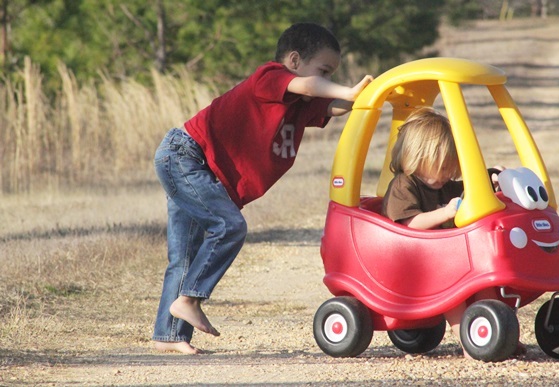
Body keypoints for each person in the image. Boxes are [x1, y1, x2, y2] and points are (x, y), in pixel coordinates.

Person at [152, 22, 373, 355]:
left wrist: (371, 95)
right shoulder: (268, 78)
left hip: (200, 168)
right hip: (186, 157)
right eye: (325, 71)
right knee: (229, 227)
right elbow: (316, 88)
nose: (327, 80)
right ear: (294, 60)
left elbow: (331, 107)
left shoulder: (299, 104)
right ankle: (188, 300)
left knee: (185, 256)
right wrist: (346, 90)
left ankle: (167, 337)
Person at [381, 107, 522, 358]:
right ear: (417, 158)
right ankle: (469, 341)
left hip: (448, 257)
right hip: (415, 261)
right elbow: (409, 224)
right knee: (452, 293)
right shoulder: (403, 185)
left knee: (485, 283)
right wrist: (446, 213)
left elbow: (468, 186)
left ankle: (499, 335)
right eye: (441, 166)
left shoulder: (443, 184)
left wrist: (491, 177)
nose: (447, 174)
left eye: (450, 166)